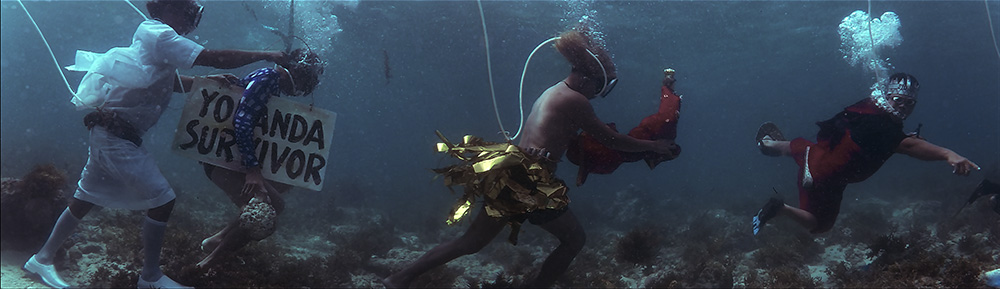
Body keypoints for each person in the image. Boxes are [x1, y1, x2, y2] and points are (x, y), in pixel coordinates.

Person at [382, 26, 674, 288]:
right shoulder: (576, 100)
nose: (598, 94)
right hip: (530, 182)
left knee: (470, 242)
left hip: (512, 174)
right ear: (589, 76)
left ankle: (400, 277)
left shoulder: (554, 92)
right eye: (600, 85)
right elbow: (611, 140)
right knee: (575, 240)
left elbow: (556, 135)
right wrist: (654, 147)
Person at [22, 1, 288, 288]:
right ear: (170, 9)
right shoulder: (160, 34)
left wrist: (202, 82)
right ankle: (149, 277)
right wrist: (266, 54)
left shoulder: (156, 38)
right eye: (186, 9)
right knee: (163, 200)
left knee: (84, 199)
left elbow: (166, 81)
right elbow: (213, 56)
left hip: (112, 134)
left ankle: (43, 258)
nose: (191, 17)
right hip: (116, 138)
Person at [752, 73, 980, 235]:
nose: (903, 107)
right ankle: (780, 209)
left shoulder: (870, 110)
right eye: (898, 101)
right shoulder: (884, 128)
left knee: (800, 146)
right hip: (826, 179)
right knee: (819, 225)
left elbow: (894, 139)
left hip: (818, 156)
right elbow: (908, 146)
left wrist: (901, 137)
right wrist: (948, 154)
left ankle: (768, 144)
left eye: (910, 103)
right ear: (888, 98)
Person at [192, 48, 325, 268]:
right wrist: (253, 171)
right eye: (307, 78)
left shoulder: (268, 80)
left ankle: (218, 240)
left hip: (223, 158)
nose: (305, 87)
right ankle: (208, 264)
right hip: (223, 161)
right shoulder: (268, 79)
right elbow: (242, 121)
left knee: (273, 193)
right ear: (297, 71)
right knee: (272, 209)